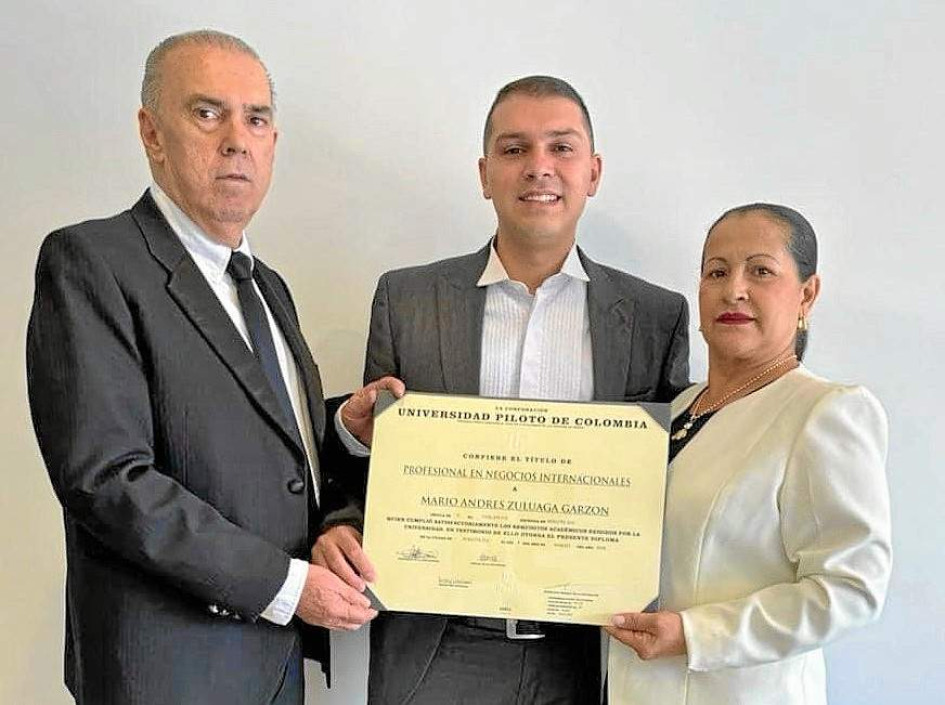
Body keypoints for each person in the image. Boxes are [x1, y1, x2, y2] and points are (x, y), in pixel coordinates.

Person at [26, 30, 397, 705]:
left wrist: (338, 431)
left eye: (256, 118)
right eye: (207, 113)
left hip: (273, 670)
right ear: (151, 132)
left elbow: (271, 456)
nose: (237, 138)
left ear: (273, 144)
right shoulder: (91, 262)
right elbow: (107, 478)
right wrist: (286, 586)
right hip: (166, 674)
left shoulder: (267, 286)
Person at [313, 76, 690, 705]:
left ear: (592, 172)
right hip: (435, 646)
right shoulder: (407, 299)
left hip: (590, 653)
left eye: (561, 149)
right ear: (485, 174)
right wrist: (342, 523)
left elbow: (673, 483)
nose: (539, 167)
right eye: (515, 150)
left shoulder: (656, 317)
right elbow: (372, 470)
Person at [606, 204, 892, 704]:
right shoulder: (668, 413)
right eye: (717, 271)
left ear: (807, 294)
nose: (733, 289)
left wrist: (696, 634)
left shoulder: (824, 412)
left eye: (760, 271)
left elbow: (852, 588)